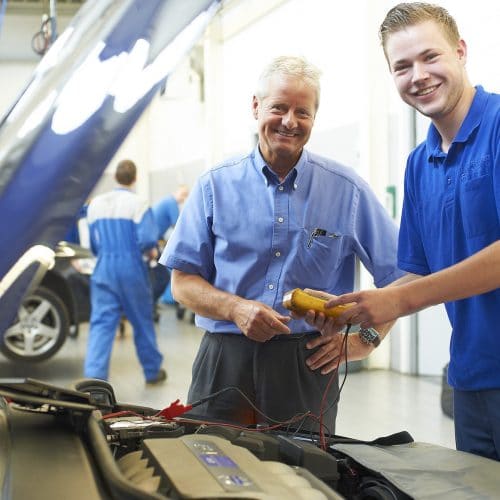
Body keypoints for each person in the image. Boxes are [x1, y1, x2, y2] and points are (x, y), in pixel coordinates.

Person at [160, 55, 403, 432]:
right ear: (256, 107)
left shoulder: (347, 190)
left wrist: (366, 340)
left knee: (303, 478)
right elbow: (182, 283)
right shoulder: (214, 187)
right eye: (279, 107)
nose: (290, 121)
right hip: (225, 356)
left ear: (314, 119)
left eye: (302, 112)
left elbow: (401, 278)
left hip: (306, 363)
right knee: (212, 466)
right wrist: (236, 308)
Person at [319, 3, 500, 460]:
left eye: (430, 57)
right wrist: (368, 330)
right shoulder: (419, 165)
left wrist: (396, 299)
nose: (418, 75)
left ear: (460, 52)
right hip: (472, 380)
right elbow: (417, 272)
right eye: (402, 66)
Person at [84, 159, 166, 384]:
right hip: (131, 268)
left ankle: (94, 376)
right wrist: (150, 252)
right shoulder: (138, 203)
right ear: (135, 178)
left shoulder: (95, 205)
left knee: (101, 322)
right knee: (141, 320)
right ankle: (152, 372)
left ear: (115, 177)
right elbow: (148, 239)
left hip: (103, 268)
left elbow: (93, 243)